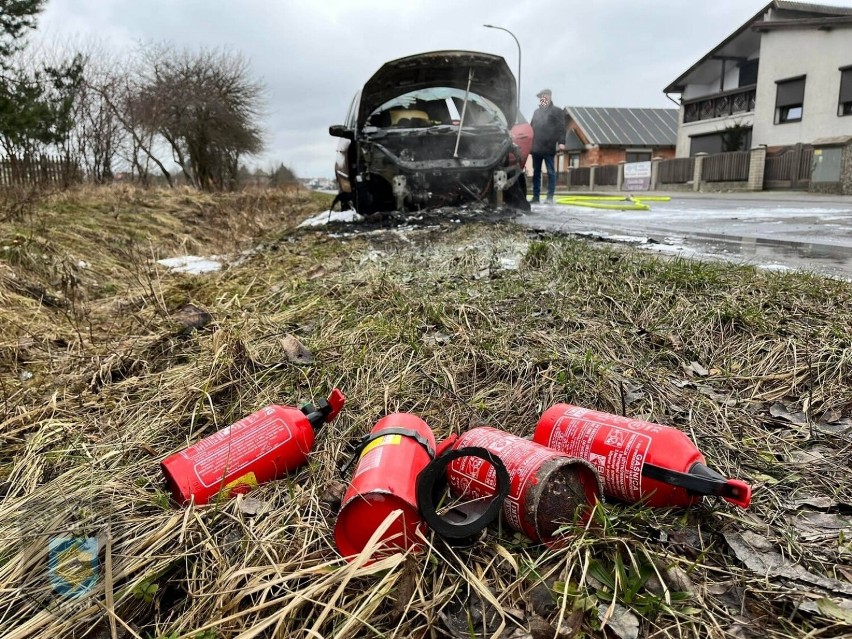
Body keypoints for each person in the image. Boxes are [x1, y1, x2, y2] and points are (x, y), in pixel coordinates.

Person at [530, 89, 566, 204]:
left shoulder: (557, 111)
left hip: (549, 146)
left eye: (544, 97)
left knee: (550, 172)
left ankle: (549, 197)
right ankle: (536, 197)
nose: (542, 99)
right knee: (536, 172)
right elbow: (531, 127)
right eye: (541, 97)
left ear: (549, 97)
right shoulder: (536, 112)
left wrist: (562, 142)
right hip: (536, 147)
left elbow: (561, 127)